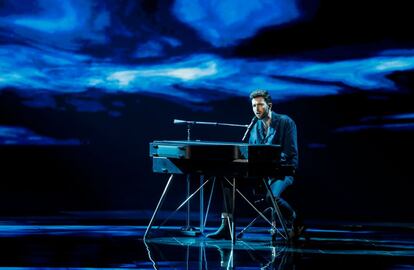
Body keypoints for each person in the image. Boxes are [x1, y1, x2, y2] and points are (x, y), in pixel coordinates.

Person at [206, 89, 304, 241]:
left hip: (282, 171)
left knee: (271, 197)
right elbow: (251, 151)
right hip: (261, 171)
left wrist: (267, 160)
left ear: (269, 105)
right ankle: (227, 227)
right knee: (227, 178)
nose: (256, 109)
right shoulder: (255, 126)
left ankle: (295, 220)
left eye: (260, 105)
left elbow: (289, 153)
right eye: (253, 106)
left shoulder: (286, 122)